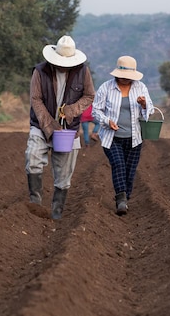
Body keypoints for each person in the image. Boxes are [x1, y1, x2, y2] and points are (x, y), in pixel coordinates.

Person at [25, 35, 95, 220]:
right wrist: (49, 125)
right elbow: (35, 99)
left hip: (69, 129)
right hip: (41, 126)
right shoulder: (40, 72)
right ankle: (35, 202)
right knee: (32, 157)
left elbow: (89, 96)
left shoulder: (83, 72)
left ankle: (56, 213)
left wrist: (72, 110)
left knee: (64, 174)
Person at [92, 55, 154, 215]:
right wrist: (107, 121)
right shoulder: (106, 88)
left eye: (128, 76)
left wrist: (144, 104)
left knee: (130, 170)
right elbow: (95, 110)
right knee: (118, 164)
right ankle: (120, 199)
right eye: (123, 76)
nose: (125, 79)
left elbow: (150, 110)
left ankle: (126, 197)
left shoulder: (140, 88)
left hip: (134, 138)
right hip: (111, 137)